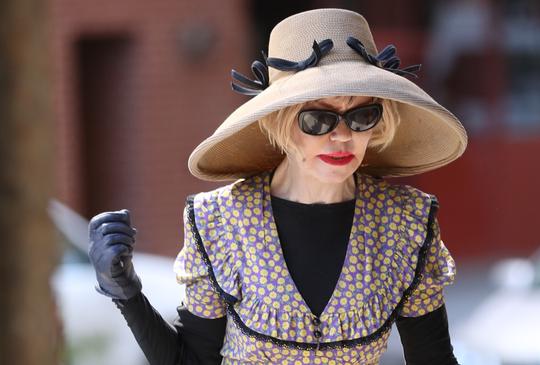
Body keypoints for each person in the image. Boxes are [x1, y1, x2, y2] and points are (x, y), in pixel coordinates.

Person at [88, 8, 467, 365]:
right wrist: (126, 292)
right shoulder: (220, 220)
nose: (342, 137)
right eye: (319, 120)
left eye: (361, 116)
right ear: (282, 123)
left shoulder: (406, 223)